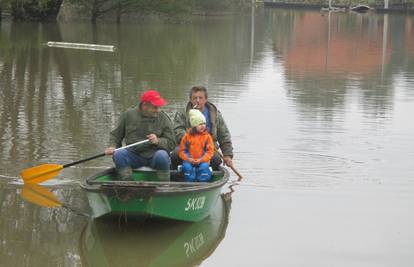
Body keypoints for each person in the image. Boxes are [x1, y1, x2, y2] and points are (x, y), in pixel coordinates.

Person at [105, 90, 176, 181]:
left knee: (162, 155)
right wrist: (112, 147)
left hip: (154, 156)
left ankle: (164, 185)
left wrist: (158, 141)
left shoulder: (163, 118)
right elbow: (115, 136)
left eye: (159, 107)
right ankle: (128, 184)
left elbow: (172, 143)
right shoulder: (128, 115)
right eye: (155, 107)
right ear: (145, 106)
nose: (158, 110)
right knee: (119, 154)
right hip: (133, 155)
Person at [172, 86, 233, 170]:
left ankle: (206, 175)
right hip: (187, 147)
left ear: (205, 99)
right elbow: (177, 131)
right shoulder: (182, 113)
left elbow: (224, 135)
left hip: (208, 148)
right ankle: (178, 176)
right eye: (195, 98)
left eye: (200, 98)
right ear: (190, 99)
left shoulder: (215, 114)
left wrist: (227, 155)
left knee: (216, 160)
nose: (197, 100)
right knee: (175, 155)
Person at [179, 109, 214, 182]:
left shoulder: (207, 137)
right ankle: (189, 183)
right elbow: (182, 151)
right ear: (194, 125)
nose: (203, 126)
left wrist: (201, 159)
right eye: (200, 124)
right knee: (186, 167)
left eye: (204, 123)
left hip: (202, 160)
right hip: (189, 160)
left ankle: (202, 183)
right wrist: (188, 159)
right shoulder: (186, 136)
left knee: (204, 167)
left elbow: (209, 151)